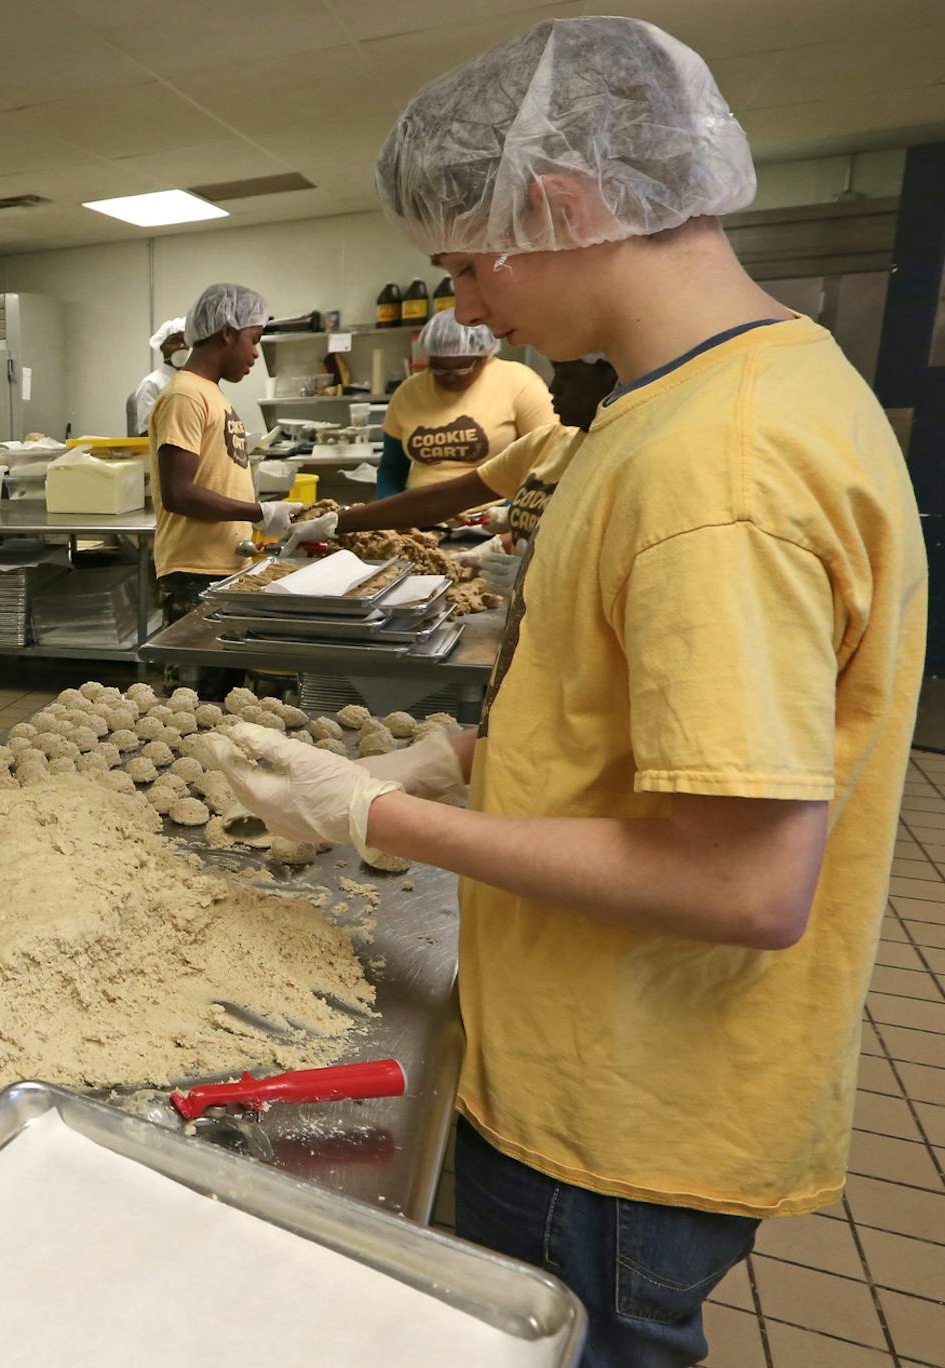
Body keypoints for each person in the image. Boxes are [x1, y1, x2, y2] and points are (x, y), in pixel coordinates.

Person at [202, 18, 924, 1367]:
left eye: (469, 263)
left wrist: (376, 821)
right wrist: (478, 760)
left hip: (626, 1118)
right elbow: (662, 735)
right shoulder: (699, 403)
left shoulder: (722, 468)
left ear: (561, 205)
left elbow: (744, 885)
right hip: (607, 1062)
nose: (469, 309)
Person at [282, 354, 618, 575]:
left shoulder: (620, 455)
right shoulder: (547, 443)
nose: (553, 388)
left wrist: (532, 574)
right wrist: (335, 523)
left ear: (611, 377)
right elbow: (440, 500)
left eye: (567, 376)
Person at [148, 283, 300, 625]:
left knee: (225, 678)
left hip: (225, 565)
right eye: (255, 338)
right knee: (195, 680)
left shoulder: (212, 394)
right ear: (229, 333)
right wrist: (258, 512)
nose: (257, 353)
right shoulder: (185, 396)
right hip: (194, 572)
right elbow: (179, 493)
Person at [376, 309, 556, 496]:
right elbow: (392, 468)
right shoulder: (409, 392)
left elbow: (547, 458)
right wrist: (388, 512)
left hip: (491, 515)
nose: (450, 378)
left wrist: (512, 508)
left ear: (484, 357)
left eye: (461, 368)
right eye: (438, 369)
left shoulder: (518, 382)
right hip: (420, 514)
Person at [124, 317, 187, 436]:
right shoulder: (152, 384)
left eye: (184, 340)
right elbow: (147, 432)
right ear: (161, 347)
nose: (181, 345)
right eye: (174, 341)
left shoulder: (193, 380)